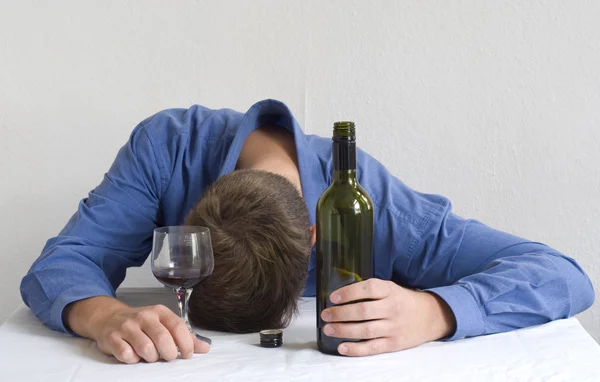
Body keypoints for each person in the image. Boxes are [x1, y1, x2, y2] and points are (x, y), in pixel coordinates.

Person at [20, 99, 595, 364]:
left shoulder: (374, 202)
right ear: (191, 213)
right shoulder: (166, 149)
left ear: (315, 237)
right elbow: (64, 261)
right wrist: (102, 314)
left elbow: (561, 275)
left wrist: (437, 312)